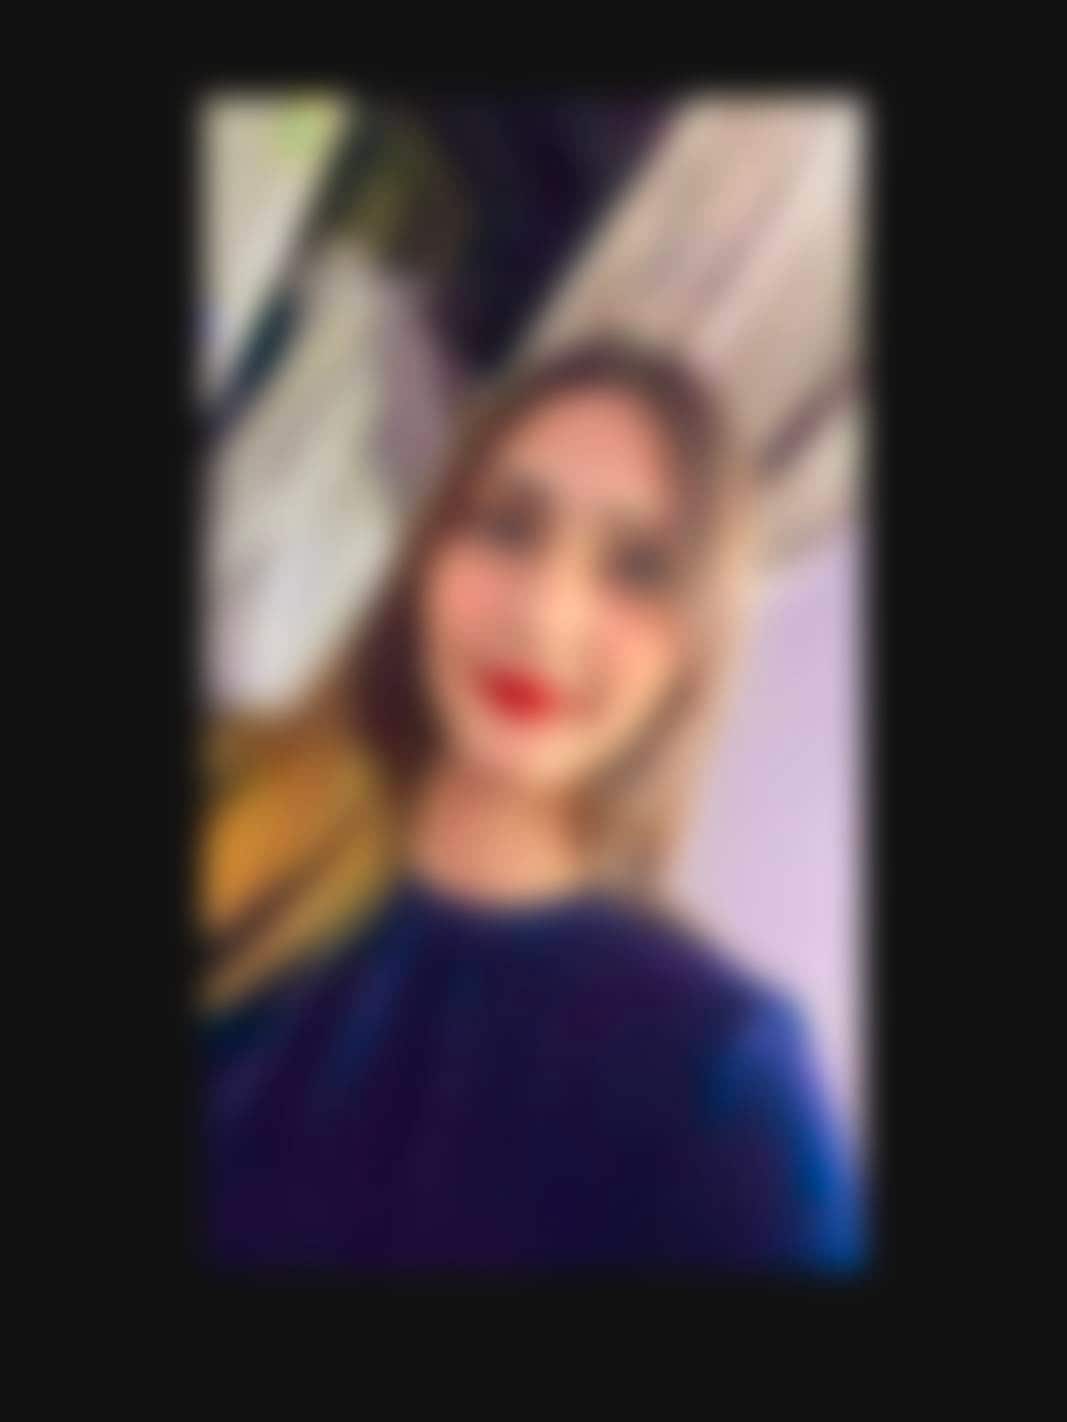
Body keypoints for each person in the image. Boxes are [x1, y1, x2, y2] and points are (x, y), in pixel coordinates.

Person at [196, 338, 867, 1275]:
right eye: (508, 527)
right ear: (428, 556)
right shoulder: (224, 799)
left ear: (693, 649)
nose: (544, 615)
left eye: (637, 568)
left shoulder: (722, 1071)